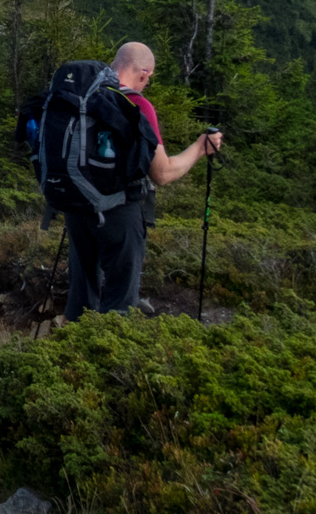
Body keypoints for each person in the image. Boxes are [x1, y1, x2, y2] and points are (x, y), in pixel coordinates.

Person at [62, 41, 223, 320]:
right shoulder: (137, 104)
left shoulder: (81, 96)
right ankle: (107, 358)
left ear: (114, 64)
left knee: (81, 291)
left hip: (76, 206)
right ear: (144, 73)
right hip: (119, 212)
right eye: (148, 79)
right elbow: (162, 173)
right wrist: (200, 148)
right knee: (119, 299)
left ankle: (70, 354)